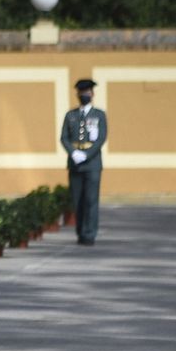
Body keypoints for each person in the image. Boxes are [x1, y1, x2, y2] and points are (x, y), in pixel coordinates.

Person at [60, 78, 106, 245]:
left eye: (87, 92)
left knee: (91, 200)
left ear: (92, 94)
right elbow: (64, 137)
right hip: (75, 163)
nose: (84, 95)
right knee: (77, 199)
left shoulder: (99, 115)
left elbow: (101, 138)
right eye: (82, 92)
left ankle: (89, 234)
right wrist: (74, 153)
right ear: (77, 94)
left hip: (92, 164)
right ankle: (80, 231)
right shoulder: (70, 115)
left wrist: (87, 154)